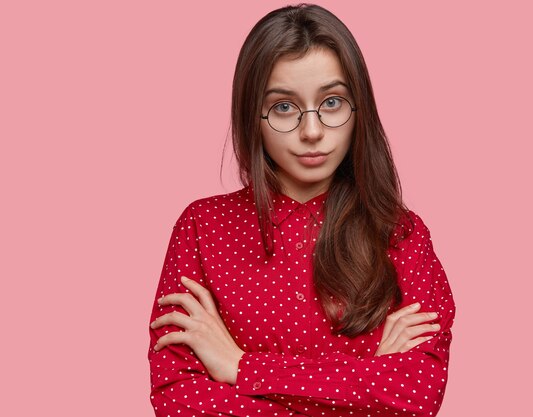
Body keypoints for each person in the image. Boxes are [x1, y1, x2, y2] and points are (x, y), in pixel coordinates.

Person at [148, 4, 455, 416]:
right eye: (284, 108)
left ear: (358, 108)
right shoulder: (202, 228)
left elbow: (416, 395)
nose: (312, 132)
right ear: (251, 117)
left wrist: (240, 367)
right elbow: (178, 399)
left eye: (331, 102)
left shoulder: (400, 235)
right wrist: (365, 378)